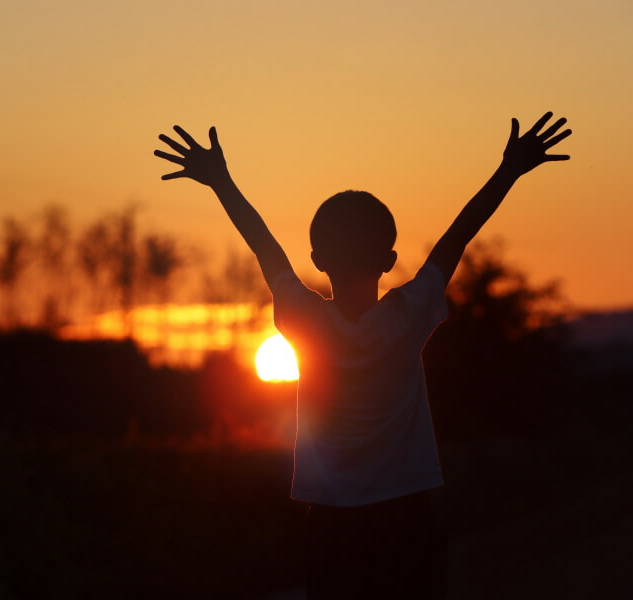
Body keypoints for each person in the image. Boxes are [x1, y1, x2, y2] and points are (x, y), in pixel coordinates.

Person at [154, 113, 571, 599]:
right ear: (389, 261)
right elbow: (457, 237)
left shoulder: (304, 319)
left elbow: (264, 246)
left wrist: (220, 181)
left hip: (331, 525)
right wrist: (508, 171)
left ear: (318, 259)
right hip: (406, 518)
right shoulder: (408, 315)